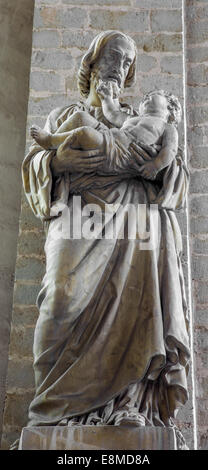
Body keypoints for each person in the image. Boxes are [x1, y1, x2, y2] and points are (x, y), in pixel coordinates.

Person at [22, 30, 190, 444]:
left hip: (133, 220)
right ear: (92, 64)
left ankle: (128, 403)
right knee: (61, 297)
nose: (117, 66)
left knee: (136, 298)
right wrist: (57, 159)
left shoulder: (143, 116)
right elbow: (36, 167)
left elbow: (174, 173)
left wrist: (152, 165)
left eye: (126, 61)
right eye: (111, 57)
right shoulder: (63, 116)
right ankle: (53, 412)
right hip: (77, 215)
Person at [30, 88, 181, 182]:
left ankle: (51, 141)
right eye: (145, 97)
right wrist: (107, 98)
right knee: (80, 117)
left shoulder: (167, 127)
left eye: (153, 95)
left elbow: (170, 150)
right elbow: (113, 114)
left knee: (85, 133)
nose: (146, 98)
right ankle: (54, 141)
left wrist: (155, 165)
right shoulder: (132, 118)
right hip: (109, 137)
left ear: (170, 109)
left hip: (118, 153)